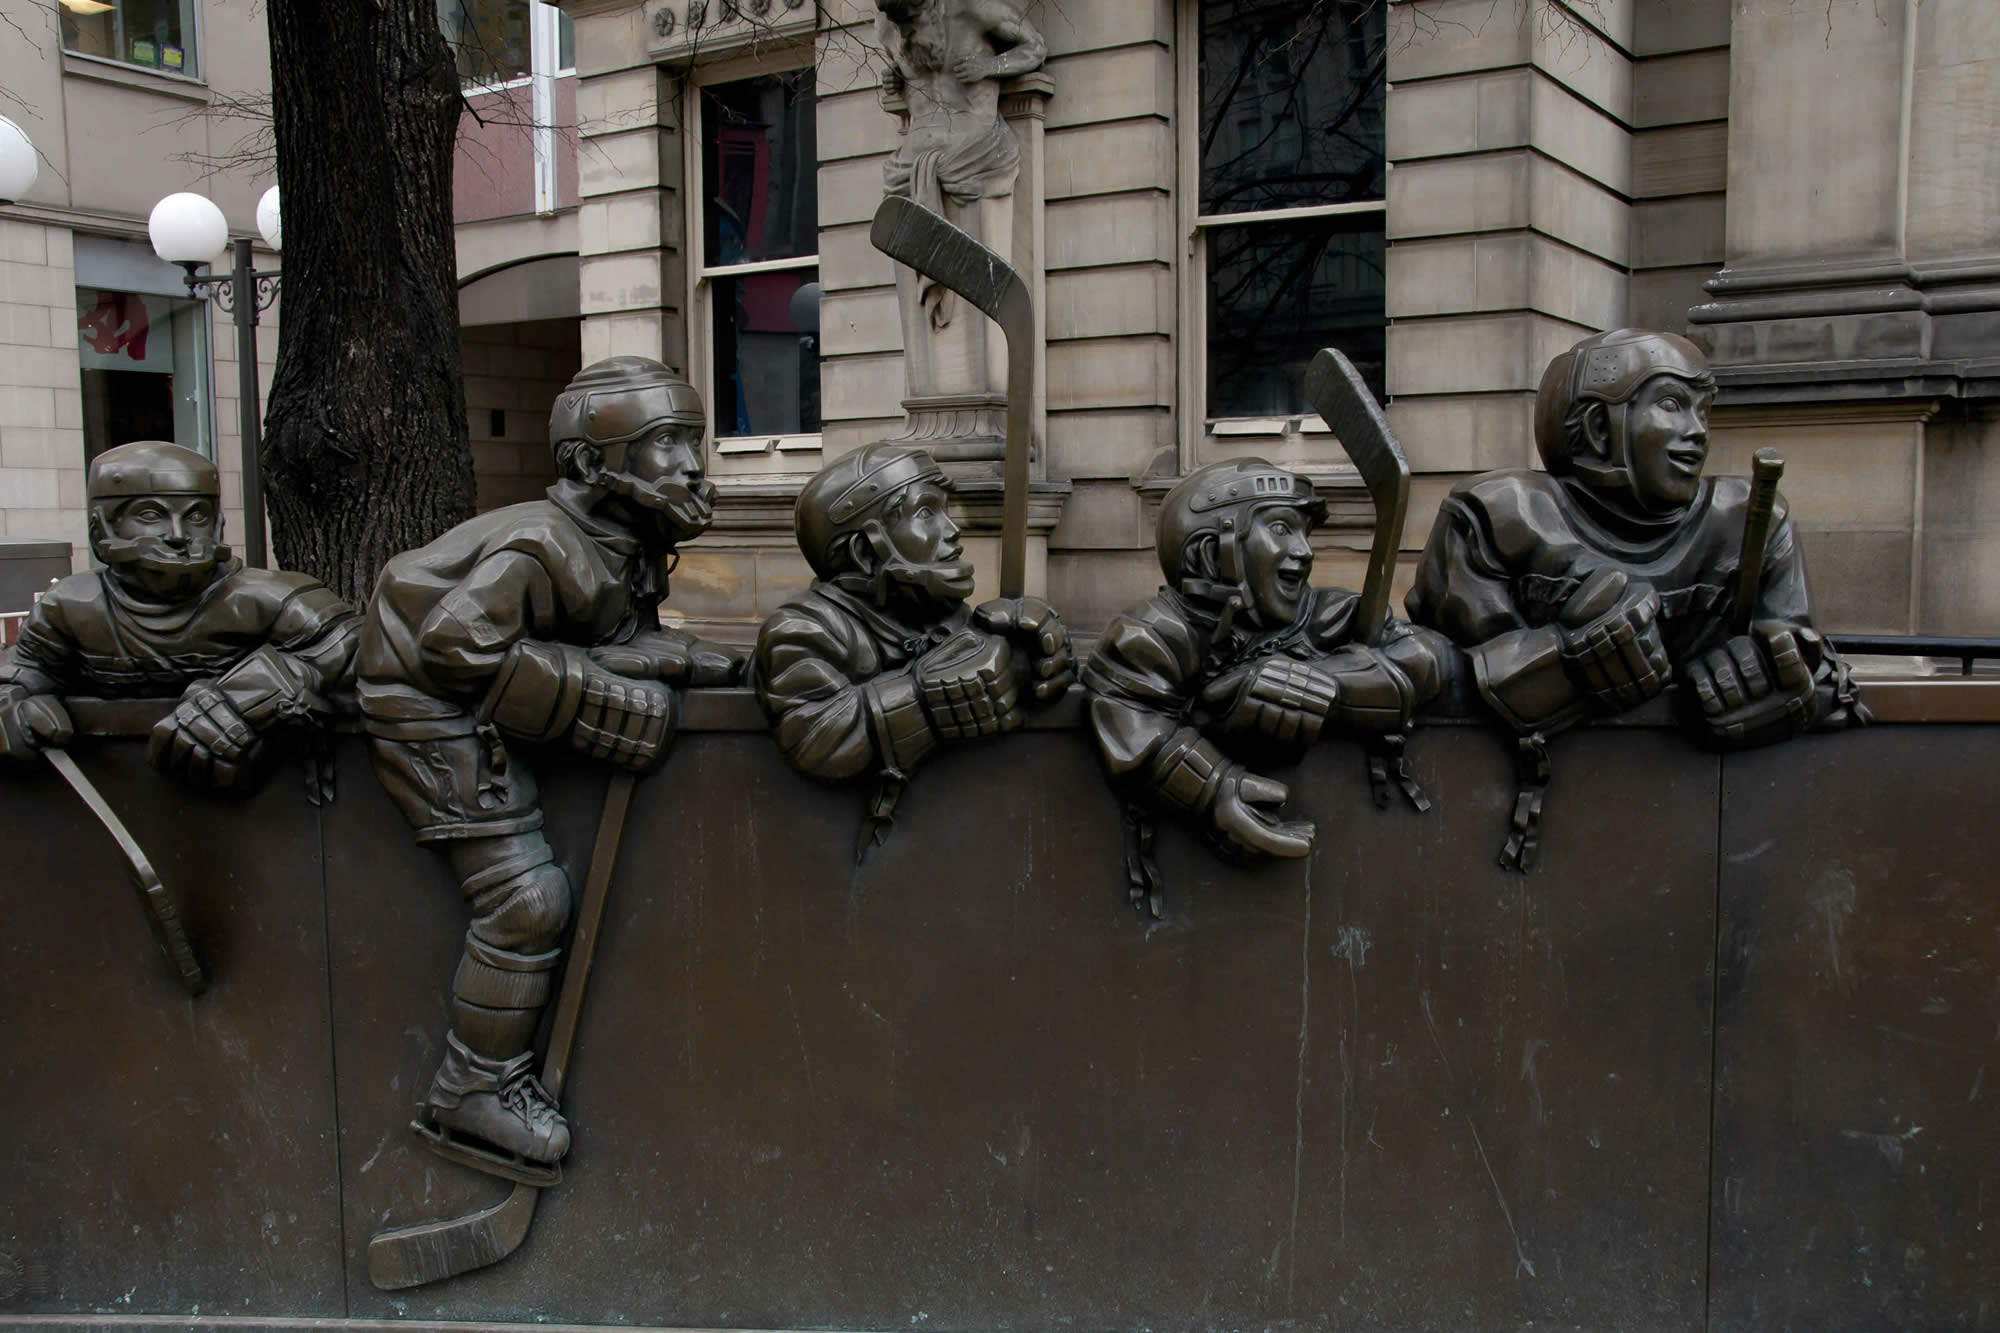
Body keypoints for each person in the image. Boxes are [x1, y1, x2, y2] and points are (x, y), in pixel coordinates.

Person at [355, 356, 742, 1180]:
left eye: (693, 442)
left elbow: (599, 638)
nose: (690, 463)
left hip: (469, 684)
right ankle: (473, 1084)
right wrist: (592, 696)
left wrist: (660, 659)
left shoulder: (627, 541)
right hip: (427, 707)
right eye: (662, 444)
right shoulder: (540, 544)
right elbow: (456, 647)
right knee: (527, 900)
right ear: (587, 465)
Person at [1406, 328, 1867, 865]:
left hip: (1699, 832)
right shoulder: (1497, 516)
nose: (1697, 432)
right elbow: (1448, 683)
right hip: (1513, 831)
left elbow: (1812, 662)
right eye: (1671, 404)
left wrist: (1778, 677)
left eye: (1703, 410)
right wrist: (1565, 662)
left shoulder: (1750, 522)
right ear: (1598, 427)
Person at [1082, 458, 1449, 892]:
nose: (1304, 551)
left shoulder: (1326, 614)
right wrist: (1215, 788)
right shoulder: (1152, 634)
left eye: (1303, 533)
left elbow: (1427, 656)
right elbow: (1133, 722)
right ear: (1210, 551)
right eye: (1280, 530)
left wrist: (1320, 684)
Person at [752, 442, 1073, 854]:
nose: (953, 530)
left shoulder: (940, 613)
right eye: (926, 513)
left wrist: (1034, 654)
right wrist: (927, 697)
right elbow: (817, 738)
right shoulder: (802, 630)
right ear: (864, 551)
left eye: (944, 510)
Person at [0, 440, 358, 788]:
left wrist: (249, 696)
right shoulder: (70, 605)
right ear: (102, 527)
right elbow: (24, 669)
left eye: (196, 516)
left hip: (265, 799)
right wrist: (8, 702)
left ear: (218, 524)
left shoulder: (270, 597)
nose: (177, 535)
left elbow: (356, 646)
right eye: (150, 514)